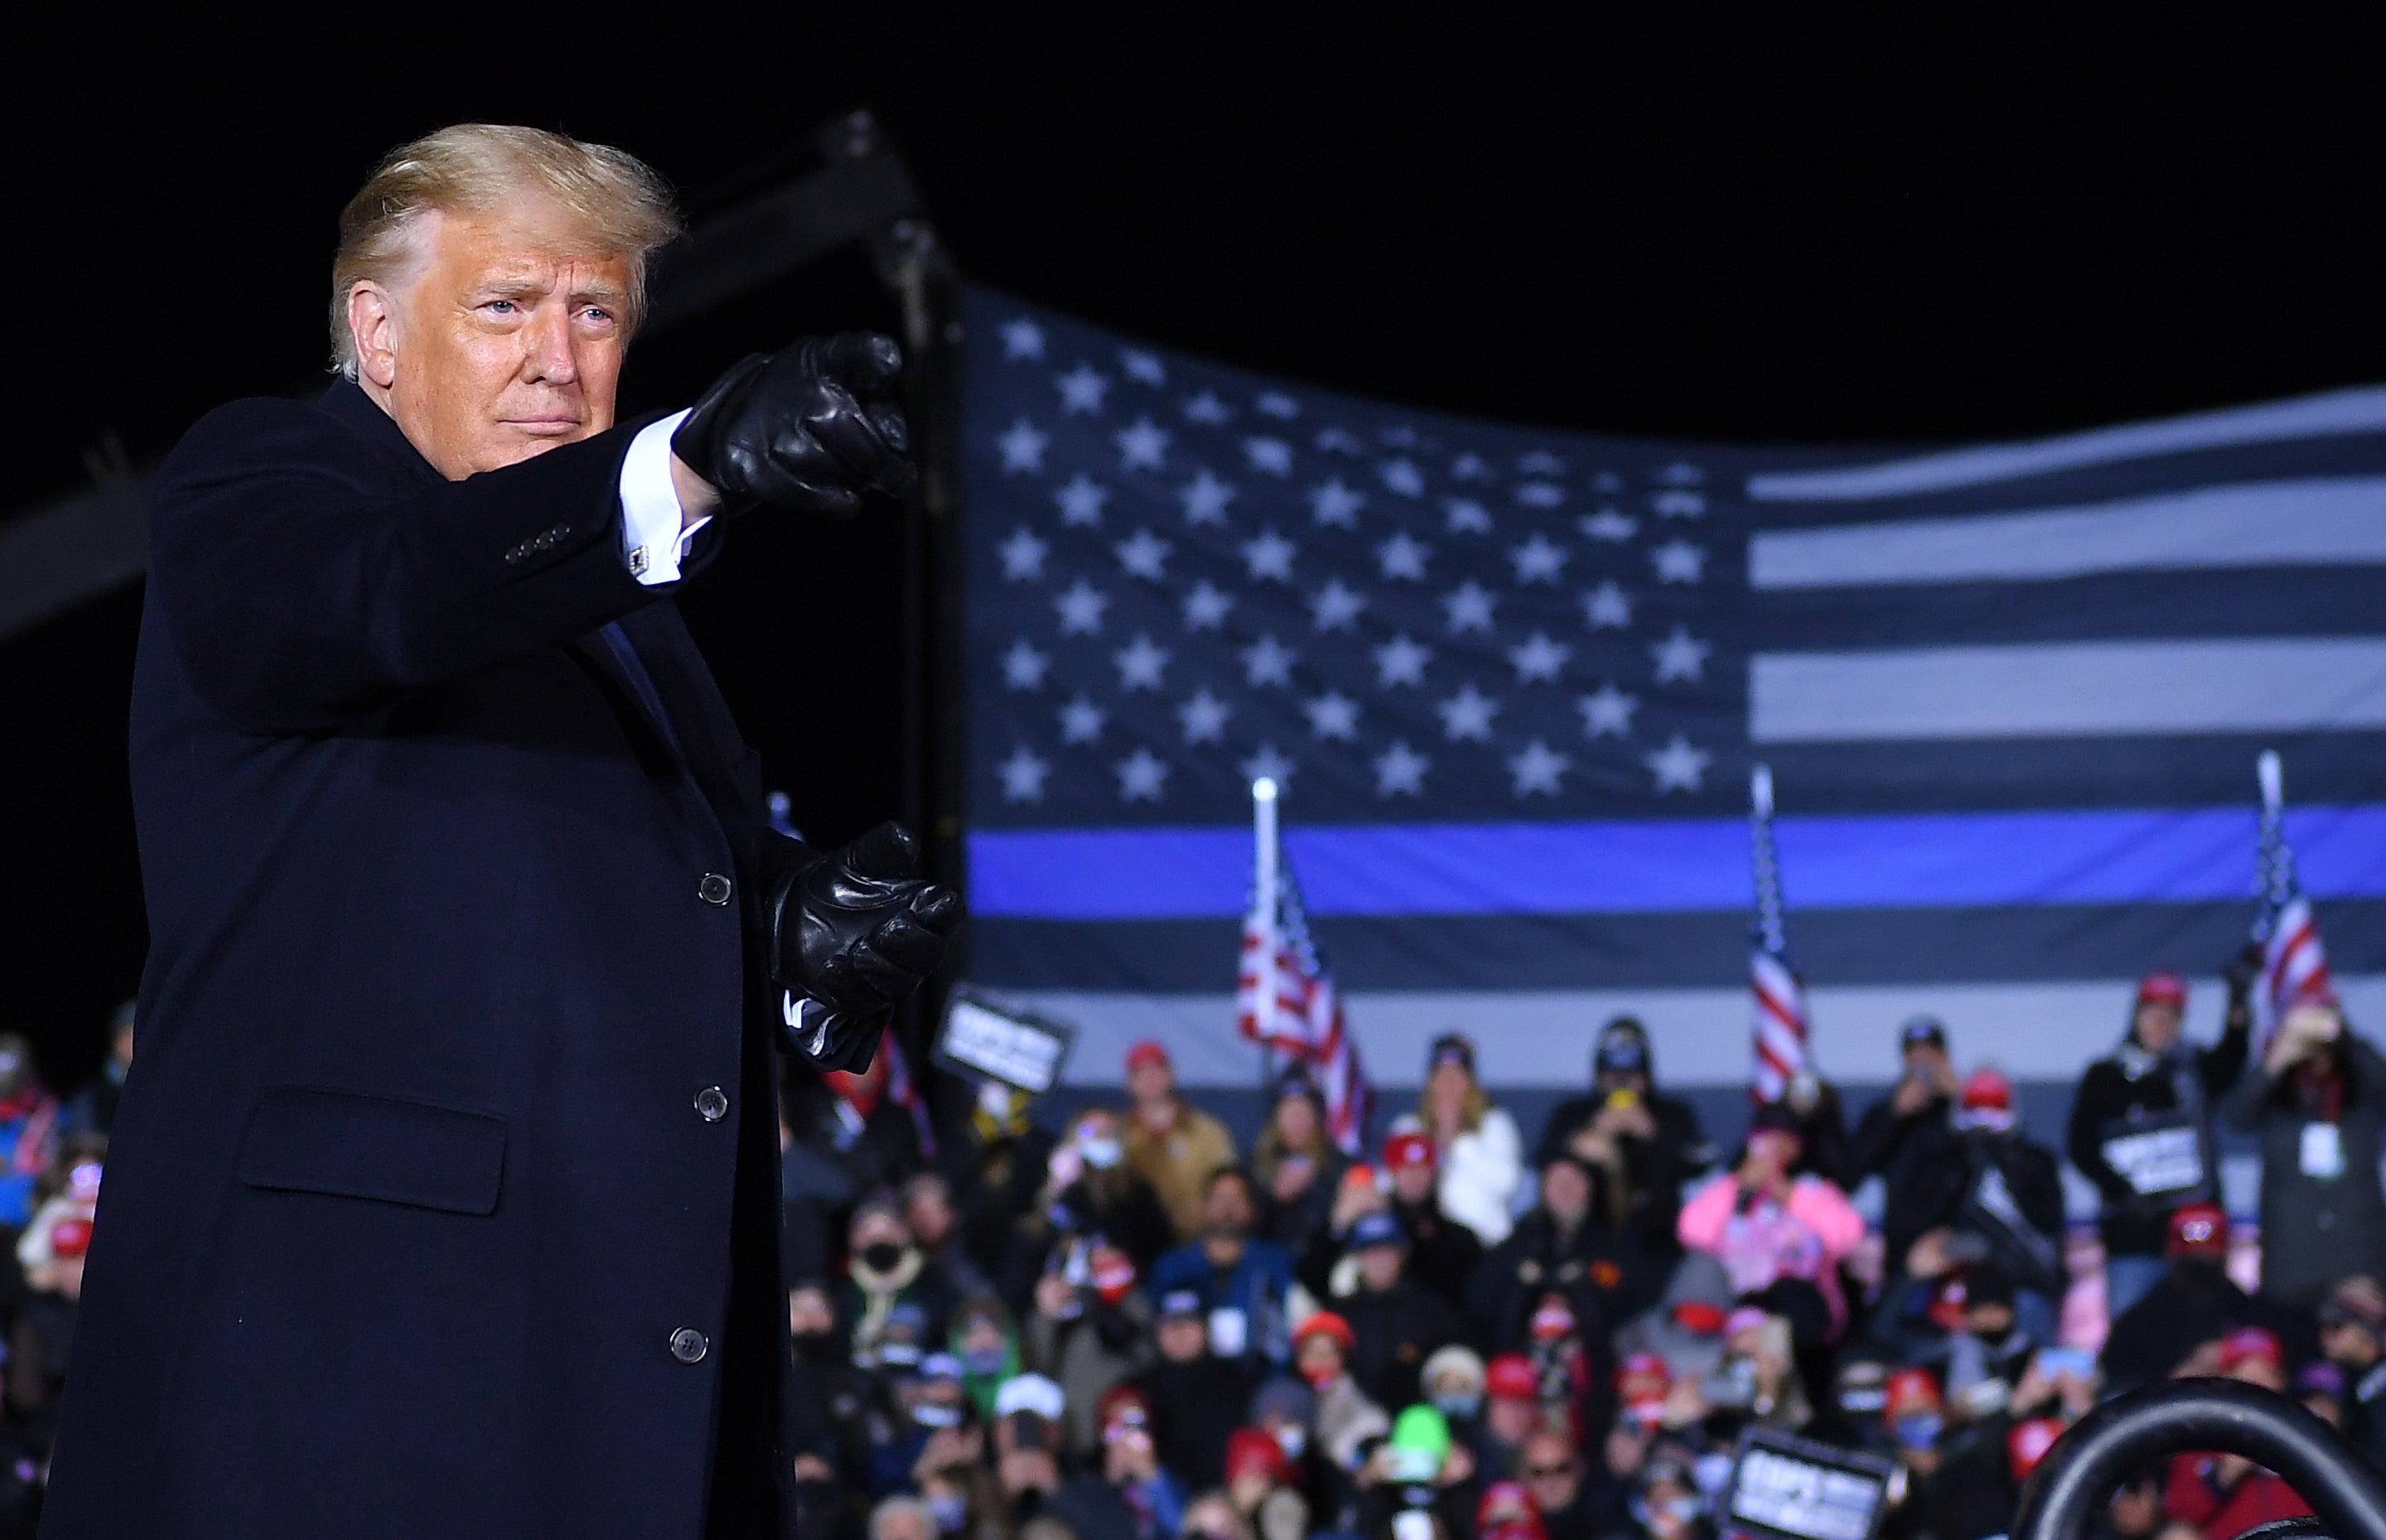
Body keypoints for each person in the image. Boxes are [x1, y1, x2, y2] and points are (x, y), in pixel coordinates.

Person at [46, 124, 962, 1539]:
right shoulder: (268, 485)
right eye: (504, 306)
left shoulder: (631, 626)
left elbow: (528, 883)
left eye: (595, 310)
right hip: (333, 1425)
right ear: (378, 331)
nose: (560, 356)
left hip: (608, 1416)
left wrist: (780, 926)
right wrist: (690, 465)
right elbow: (400, 594)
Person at [2067, 969, 2251, 1323]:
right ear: (2136, 1016)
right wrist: (2123, 1193)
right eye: (2153, 1014)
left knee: (2203, 1336)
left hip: (2197, 1240)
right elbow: (2081, 1146)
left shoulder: (2191, 1071)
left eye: (2171, 1017)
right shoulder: (2105, 1077)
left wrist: (2239, 1007)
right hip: (2133, 1239)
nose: (2160, 1025)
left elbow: (2230, 1062)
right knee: (2134, 1340)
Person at [2221, 992, 2386, 1305]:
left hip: (2360, 1266)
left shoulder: (2363, 1095)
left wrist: (2347, 1038)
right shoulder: (2275, 1099)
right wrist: (2276, 1058)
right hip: (2291, 1269)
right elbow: (2234, 1116)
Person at [1885, 1068, 2068, 1346]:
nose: (1984, 1121)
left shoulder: (2035, 1162)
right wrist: (1964, 1166)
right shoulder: (1946, 1163)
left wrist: (2009, 1165)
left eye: (1994, 1110)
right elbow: (1920, 1221)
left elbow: (2047, 1221)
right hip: (1955, 1285)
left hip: (2023, 1283)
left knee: (2030, 1316)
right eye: (1976, 1110)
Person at [1674, 1103, 1865, 1344]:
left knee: (1789, 1296)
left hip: (1799, 1319)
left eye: (1784, 1139)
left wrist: (1787, 1193)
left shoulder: (1813, 1188)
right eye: (1766, 1138)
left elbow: (1848, 1236)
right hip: (1733, 1309)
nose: (1773, 1148)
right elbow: (1692, 1233)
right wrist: (1739, 1187)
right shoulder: (1727, 1187)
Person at [1533, 1017, 1708, 1260]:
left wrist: (1652, 1134)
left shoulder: (1671, 1114)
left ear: (1646, 1077)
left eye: (1631, 1076)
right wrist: (1592, 1131)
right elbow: (1544, 1159)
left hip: (1656, 1236)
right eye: (1614, 1077)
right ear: (1598, 1076)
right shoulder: (1573, 1114)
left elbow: (1699, 1163)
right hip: (1586, 1233)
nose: (1622, 1085)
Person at [1150, 1168, 1297, 1365]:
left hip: (1259, 1374)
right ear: (1202, 1206)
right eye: (1219, 1198)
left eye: (1237, 1198)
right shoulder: (1172, 1266)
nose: (1228, 1208)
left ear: (1252, 1208)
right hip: (1192, 1373)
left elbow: (1291, 1325)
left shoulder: (1277, 1262)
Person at [1335, 1209, 1470, 1412]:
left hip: (1421, 1415)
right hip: (1356, 1417)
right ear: (1359, 1257)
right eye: (1371, 1251)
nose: (1379, 1260)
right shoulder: (1340, 1313)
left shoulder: (1430, 1308)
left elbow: (1457, 1361)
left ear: (1402, 1254)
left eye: (1387, 1250)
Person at [1123, 1043, 1238, 1243]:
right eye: (1141, 1074)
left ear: (1171, 1075)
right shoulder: (1120, 1135)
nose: (1150, 1080)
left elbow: (1228, 1183)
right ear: (1130, 1083)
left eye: (1156, 1072)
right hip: (1136, 1243)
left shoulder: (1207, 1132)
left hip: (1198, 1241)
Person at [1417, 1034, 1524, 1245]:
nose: (1449, 1085)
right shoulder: (1409, 1127)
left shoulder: (1496, 1125)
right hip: (1425, 1247)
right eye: (1442, 1076)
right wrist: (1437, 1143)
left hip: (1485, 1241)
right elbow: (1393, 1186)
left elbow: (1508, 1183)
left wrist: (1458, 1142)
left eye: (1457, 1077)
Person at [1847, 1016, 1958, 1185]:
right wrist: (1894, 1115)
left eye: (1930, 1051)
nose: (1923, 1059)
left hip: (1954, 1208)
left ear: (1944, 1057)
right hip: (1903, 1208)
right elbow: (1857, 1166)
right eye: (1915, 1051)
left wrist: (1960, 1101)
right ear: (1905, 1057)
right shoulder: (1884, 1111)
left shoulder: (1959, 1107)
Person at [1249, 1064, 1346, 1255]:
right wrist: (1275, 1199)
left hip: (1322, 1262)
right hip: (1267, 1260)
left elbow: (1342, 1225)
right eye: (1288, 1112)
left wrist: (1314, 1187)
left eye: (1304, 1111)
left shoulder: (1339, 1164)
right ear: (1275, 1118)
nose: (1296, 1120)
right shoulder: (1253, 1165)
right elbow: (1245, 1230)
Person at [60, 998, 136, 1140]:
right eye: (127, 1036)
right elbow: (82, 1145)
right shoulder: (90, 1099)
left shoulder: (166, 1089)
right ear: (115, 1042)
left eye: (138, 1036)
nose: (132, 1044)